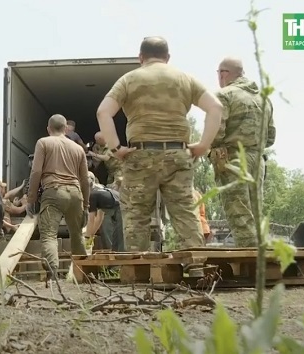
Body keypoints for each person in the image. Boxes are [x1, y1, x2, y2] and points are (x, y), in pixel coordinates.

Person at [96, 36, 223, 251]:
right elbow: (216, 107)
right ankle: (196, 266)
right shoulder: (185, 78)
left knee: (136, 215)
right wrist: (203, 145)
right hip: (178, 154)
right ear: (168, 57)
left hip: (140, 155)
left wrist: (116, 148)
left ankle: (138, 270)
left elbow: (103, 112)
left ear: (140, 57)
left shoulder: (129, 79)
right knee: (185, 212)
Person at [210, 57, 276, 247]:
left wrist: (209, 147)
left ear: (224, 73)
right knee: (255, 213)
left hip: (233, 160)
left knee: (239, 213)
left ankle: (251, 262)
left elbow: (216, 132)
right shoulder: (263, 98)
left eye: (219, 73)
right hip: (258, 160)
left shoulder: (225, 95)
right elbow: (270, 136)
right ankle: (262, 253)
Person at [26, 114, 89, 279]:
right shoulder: (78, 148)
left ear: (48, 129)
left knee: (48, 235)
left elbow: (36, 171)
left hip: (53, 191)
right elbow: (85, 179)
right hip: (76, 193)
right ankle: (83, 274)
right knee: (77, 234)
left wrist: (31, 199)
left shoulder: (44, 142)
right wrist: (87, 206)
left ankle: (52, 274)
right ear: (66, 129)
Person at [85, 172, 125, 252]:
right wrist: (92, 235)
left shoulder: (92, 195)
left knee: (118, 241)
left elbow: (91, 219)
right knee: (116, 239)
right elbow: (99, 218)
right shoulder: (101, 190)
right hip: (119, 206)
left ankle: (117, 263)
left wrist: (87, 238)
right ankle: (115, 262)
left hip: (120, 208)